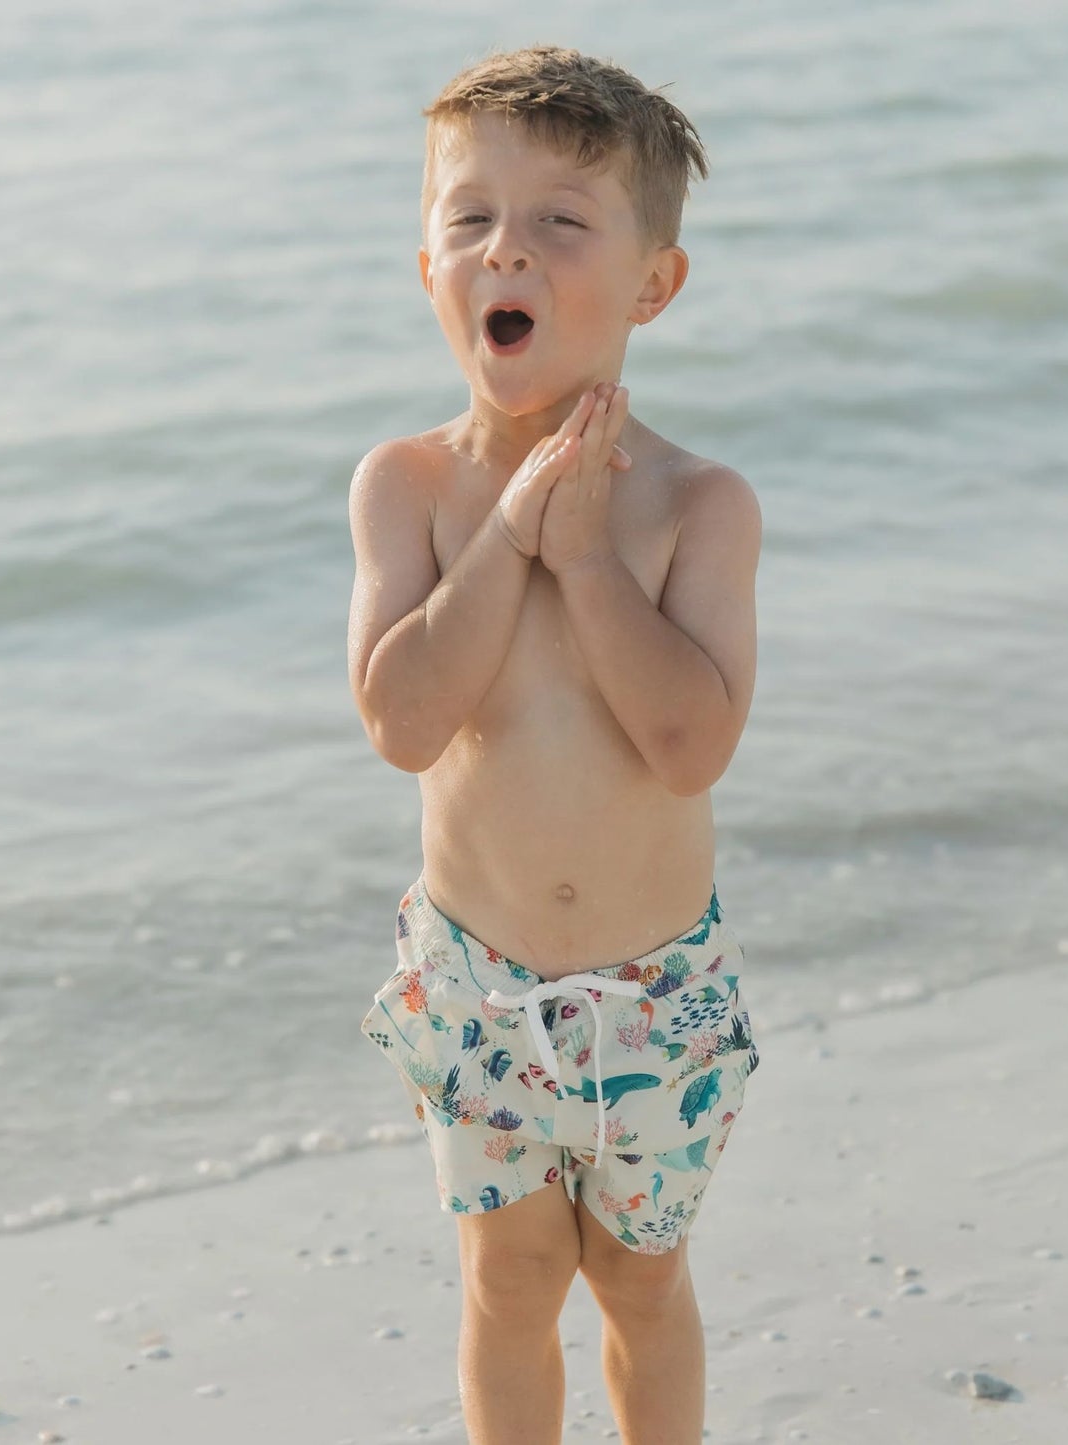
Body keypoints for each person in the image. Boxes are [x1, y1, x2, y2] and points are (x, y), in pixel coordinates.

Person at [347, 45, 761, 1445]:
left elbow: (687, 744)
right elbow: (403, 724)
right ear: (426, 268)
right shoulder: (406, 487)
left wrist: (582, 560)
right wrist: (507, 538)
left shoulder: (695, 507)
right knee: (511, 1273)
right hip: (478, 982)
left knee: (639, 1280)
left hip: (658, 992)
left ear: (654, 282)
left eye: (559, 223)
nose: (503, 248)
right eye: (468, 219)